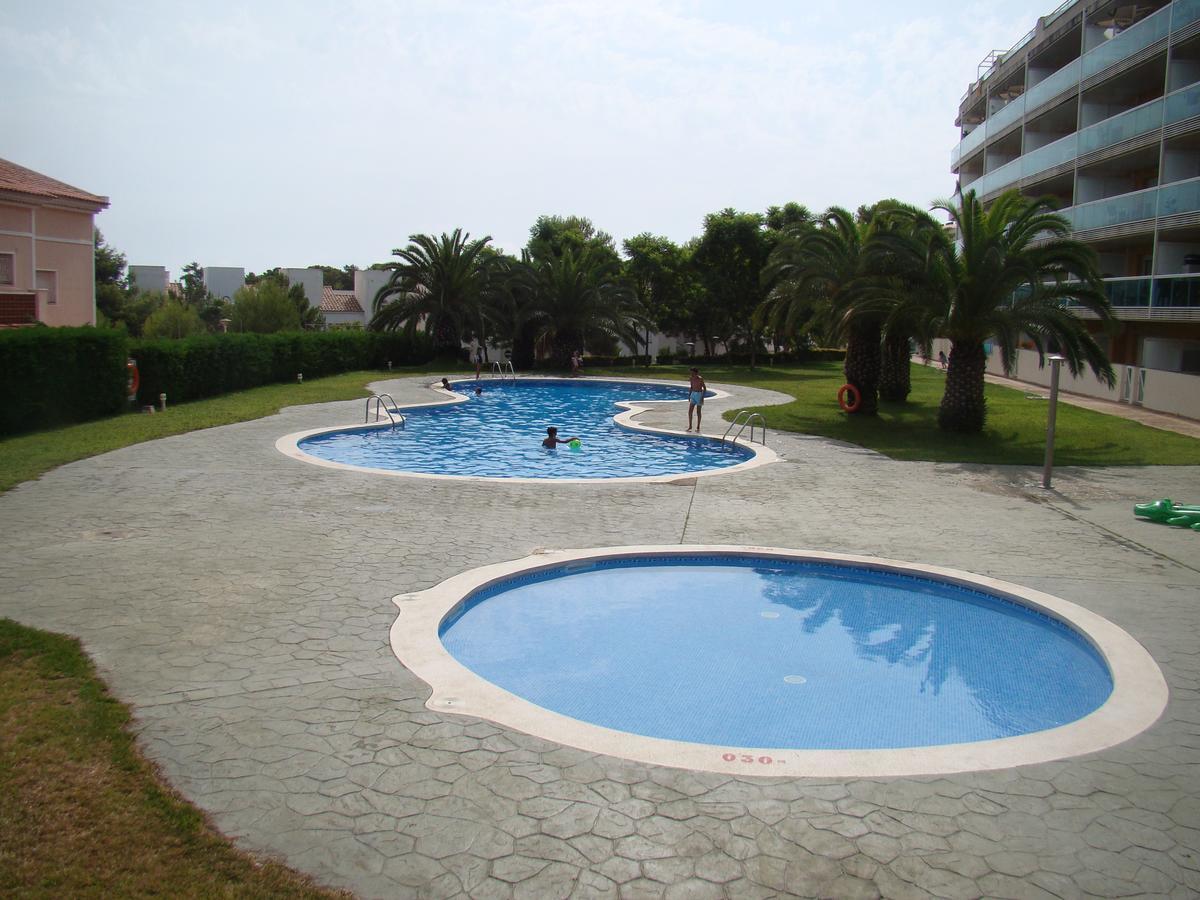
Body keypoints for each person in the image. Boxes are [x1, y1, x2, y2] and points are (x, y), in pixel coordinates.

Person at [686, 367, 707, 432]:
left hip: (699, 395)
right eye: (691, 372)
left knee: (698, 412)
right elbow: (691, 387)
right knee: (690, 411)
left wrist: (702, 397)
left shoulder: (700, 379)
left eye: (692, 372)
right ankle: (690, 426)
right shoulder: (691, 378)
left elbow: (704, 388)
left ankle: (698, 427)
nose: (691, 373)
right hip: (693, 394)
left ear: (696, 372)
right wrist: (689, 395)